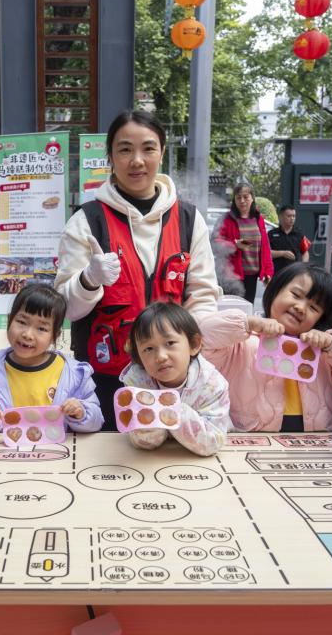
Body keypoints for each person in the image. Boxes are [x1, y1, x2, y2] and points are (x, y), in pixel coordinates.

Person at [55, 111, 221, 428]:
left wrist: (187, 354)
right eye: (125, 149)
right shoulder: (86, 222)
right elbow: (66, 308)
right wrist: (89, 280)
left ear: (161, 153)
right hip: (104, 381)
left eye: (148, 148)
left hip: (175, 382)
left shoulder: (188, 220)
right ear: (111, 157)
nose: (137, 160)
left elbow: (202, 294)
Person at [201, 263, 332, 432]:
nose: (301, 308)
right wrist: (246, 323)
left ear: (321, 318)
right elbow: (202, 339)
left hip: (312, 442)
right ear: (275, 291)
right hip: (251, 440)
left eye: (313, 307)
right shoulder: (241, 342)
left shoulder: (323, 352)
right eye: (296, 295)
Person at [0, 283, 104, 435]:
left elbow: (97, 419)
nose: (27, 334)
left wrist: (81, 412)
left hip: (55, 454)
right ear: (9, 319)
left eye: (41, 328)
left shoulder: (74, 374)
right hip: (4, 455)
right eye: (21, 322)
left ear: (55, 336)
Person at [120, 301, 230, 456]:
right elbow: (140, 441)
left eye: (170, 343)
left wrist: (172, 410)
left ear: (194, 344)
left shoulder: (212, 384)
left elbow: (213, 442)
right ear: (138, 355)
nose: (160, 357)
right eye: (148, 349)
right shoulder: (137, 382)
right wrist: (152, 422)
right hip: (151, 463)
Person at [214, 182, 274, 304]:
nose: (242, 201)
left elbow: (265, 247)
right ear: (234, 200)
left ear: (252, 198)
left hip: (252, 276)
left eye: (246, 197)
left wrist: (268, 271)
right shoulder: (226, 219)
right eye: (238, 197)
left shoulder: (258, 218)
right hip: (231, 275)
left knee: (248, 309)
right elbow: (214, 242)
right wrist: (234, 245)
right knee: (232, 310)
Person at [267, 204, 310, 276]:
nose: (292, 218)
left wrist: (303, 266)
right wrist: (282, 253)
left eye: (294, 216)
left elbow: (305, 252)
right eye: (289, 216)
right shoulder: (271, 234)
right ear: (280, 217)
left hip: (295, 273)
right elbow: (266, 253)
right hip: (276, 274)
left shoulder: (299, 234)